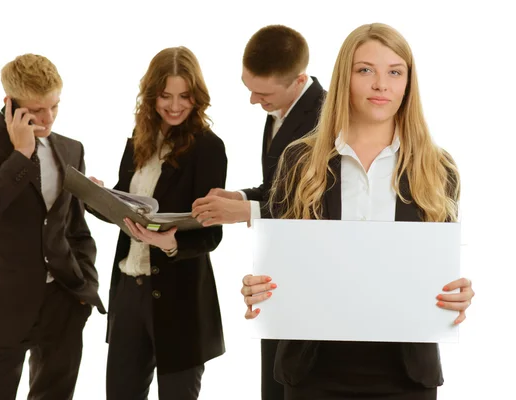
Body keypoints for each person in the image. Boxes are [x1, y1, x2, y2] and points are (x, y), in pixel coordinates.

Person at [240, 23, 475, 400]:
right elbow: (279, 264)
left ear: (407, 84)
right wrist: (258, 288)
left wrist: (457, 294)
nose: (381, 84)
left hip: (406, 375)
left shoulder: (437, 167)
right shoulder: (300, 161)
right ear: (344, 77)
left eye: (395, 72)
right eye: (366, 70)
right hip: (313, 372)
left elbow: (437, 269)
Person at [0, 53, 105, 400]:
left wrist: (84, 287)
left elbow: (75, 227)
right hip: (3, 306)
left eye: (54, 106)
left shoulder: (70, 149)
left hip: (64, 304)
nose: (47, 118)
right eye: (36, 110)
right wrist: (21, 154)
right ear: (10, 104)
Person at [191, 24, 326, 400]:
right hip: (275, 271)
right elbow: (280, 189)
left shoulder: (326, 119)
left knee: (296, 383)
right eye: (248, 87)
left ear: (299, 80)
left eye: (262, 92)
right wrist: (238, 196)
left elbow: (316, 209)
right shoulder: (280, 107)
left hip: (312, 277)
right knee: (274, 381)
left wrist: (245, 212)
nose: (252, 100)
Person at [89, 46, 228, 400]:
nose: (175, 105)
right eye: (165, 95)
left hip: (180, 299)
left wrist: (171, 243)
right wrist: (94, 195)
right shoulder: (139, 140)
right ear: (152, 95)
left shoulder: (209, 148)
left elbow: (212, 232)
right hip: (129, 293)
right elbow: (126, 203)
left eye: (184, 96)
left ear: (197, 97)